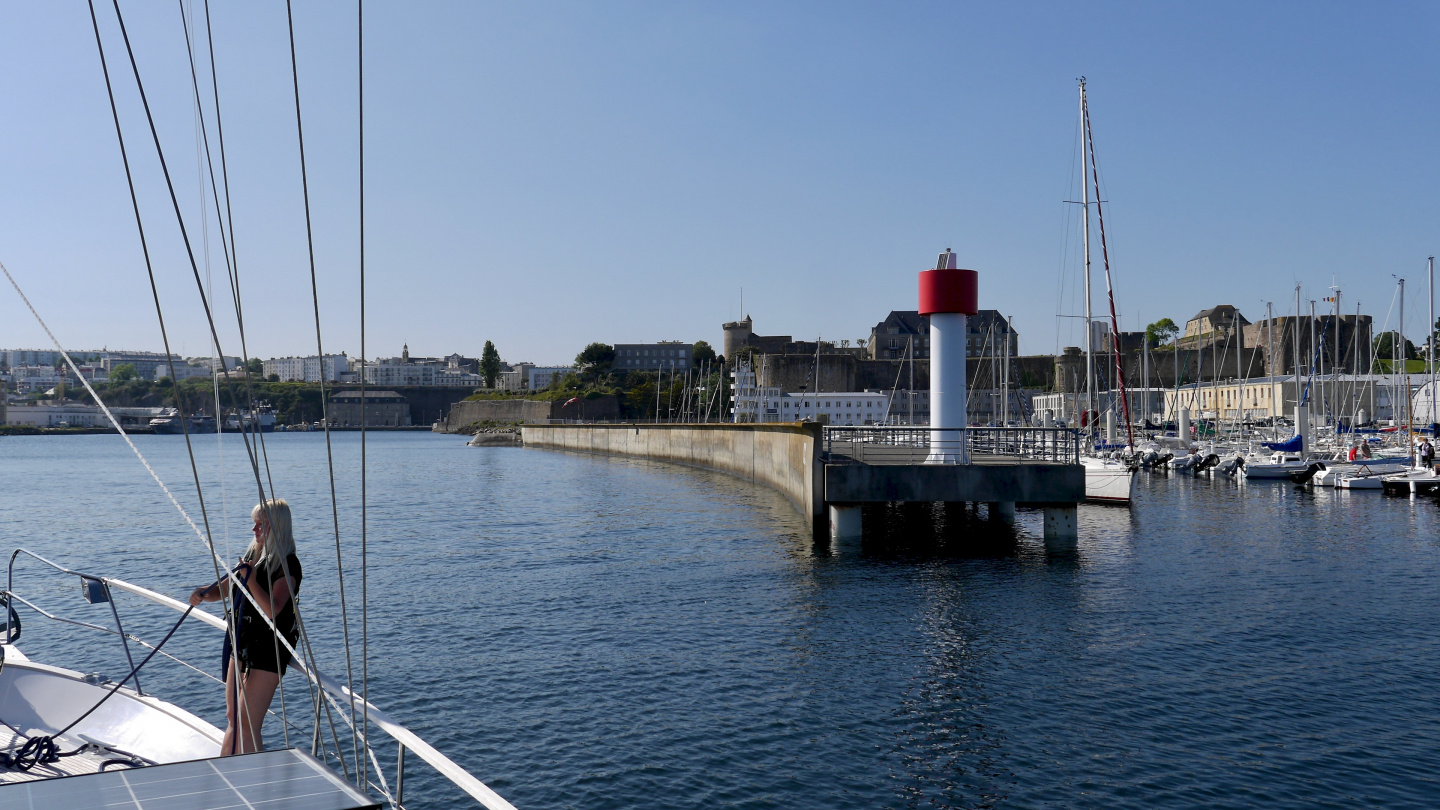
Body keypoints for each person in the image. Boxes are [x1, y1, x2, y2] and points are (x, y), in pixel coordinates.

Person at [188, 499, 303, 755]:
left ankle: (250, 777)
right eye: (255, 524)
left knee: (248, 723)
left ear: (276, 527)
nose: (254, 530)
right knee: (233, 715)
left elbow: (272, 609)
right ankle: (227, 768)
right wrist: (203, 594)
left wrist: (249, 579)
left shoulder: (287, 564)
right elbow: (228, 587)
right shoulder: (253, 555)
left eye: (260, 525)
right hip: (241, 643)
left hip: (267, 651)